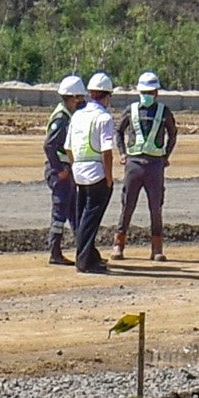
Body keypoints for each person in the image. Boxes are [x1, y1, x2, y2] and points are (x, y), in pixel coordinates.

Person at [114, 71, 178, 261]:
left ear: (156, 92)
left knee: (155, 207)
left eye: (151, 91)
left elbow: (173, 134)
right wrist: (122, 153)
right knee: (127, 206)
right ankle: (118, 245)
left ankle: (156, 249)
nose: (148, 94)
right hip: (133, 163)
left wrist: (166, 156)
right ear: (139, 91)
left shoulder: (164, 111)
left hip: (155, 165)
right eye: (144, 91)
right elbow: (119, 131)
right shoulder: (130, 110)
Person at [67, 72, 123, 268]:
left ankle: (90, 256)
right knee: (90, 220)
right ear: (106, 96)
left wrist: (76, 166)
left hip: (79, 172)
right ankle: (84, 261)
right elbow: (107, 152)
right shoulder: (104, 117)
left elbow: (68, 148)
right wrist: (109, 178)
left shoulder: (77, 116)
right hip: (97, 173)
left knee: (83, 216)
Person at [42, 72, 88, 267]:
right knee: (60, 212)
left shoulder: (67, 115)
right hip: (60, 172)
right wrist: (59, 169)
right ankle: (55, 252)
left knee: (74, 212)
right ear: (74, 97)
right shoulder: (61, 119)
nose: (83, 101)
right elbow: (49, 146)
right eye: (80, 97)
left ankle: (84, 251)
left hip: (66, 171)